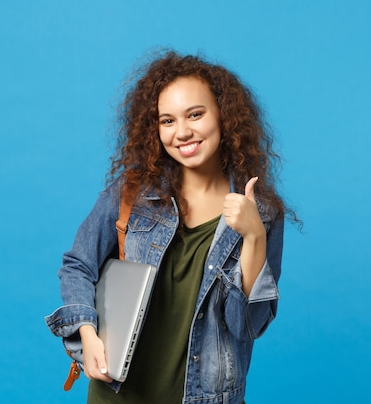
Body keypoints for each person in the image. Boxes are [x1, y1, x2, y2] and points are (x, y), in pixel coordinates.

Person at [45, 50, 296, 404]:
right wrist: (86, 332)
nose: (182, 132)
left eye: (195, 114)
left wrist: (254, 235)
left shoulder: (262, 212)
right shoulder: (131, 193)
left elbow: (248, 326)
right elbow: (78, 265)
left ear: (223, 116)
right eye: (167, 121)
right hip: (117, 395)